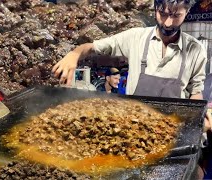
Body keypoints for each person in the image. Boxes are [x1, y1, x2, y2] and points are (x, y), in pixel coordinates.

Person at [52, 0, 212, 131]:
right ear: (155, 8)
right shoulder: (135, 37)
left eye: (176, 15)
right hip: (133, 129)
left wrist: (199, 118)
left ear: (187, 13)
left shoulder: (196, 50)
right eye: (162, 14)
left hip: (174, 131)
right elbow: (91, 47)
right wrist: (74, 54)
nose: (168, 23)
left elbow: (195, 93)